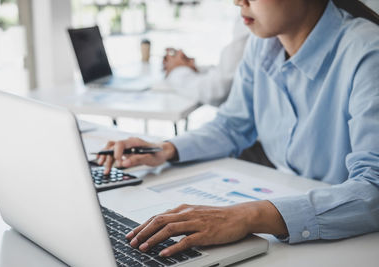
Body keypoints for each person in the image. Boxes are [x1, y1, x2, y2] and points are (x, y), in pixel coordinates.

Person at [98, 0, 379, 258]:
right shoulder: (262, 46)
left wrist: (247, 216)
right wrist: (166, 149)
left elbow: (374, 187)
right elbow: (232, 125)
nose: (237, 2)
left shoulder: (368, 53)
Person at [163, 16, 249, 106]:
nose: (237, 2)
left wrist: (176, 70)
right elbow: (230, 70)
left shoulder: (249, 19)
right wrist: (192, 68)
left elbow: (216, 91)